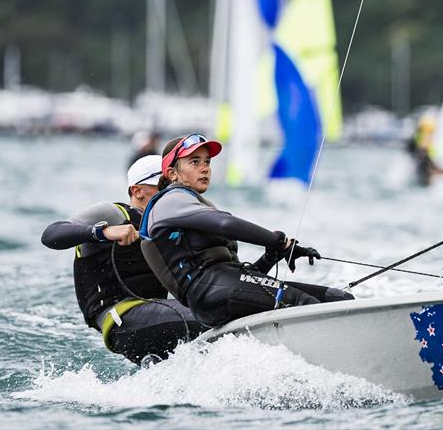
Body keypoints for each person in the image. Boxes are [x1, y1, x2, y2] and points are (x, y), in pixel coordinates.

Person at [139, 134, 354, 328]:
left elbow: (238, 278)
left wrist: (271, 256)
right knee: (306, 305)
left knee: (337, 298)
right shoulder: (170, 200)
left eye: (207, 162)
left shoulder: (193, 203)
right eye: (194, 162)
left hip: (221, 289)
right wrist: (278, 241)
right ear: (172, 173)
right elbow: (226, 225)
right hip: (209, 293)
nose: (204, 168)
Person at [41, 155, 206, 364]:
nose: (170, 195)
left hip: (158, 317)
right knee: (210, 318)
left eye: (174, 187)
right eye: (162, 187)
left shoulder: (171, 230)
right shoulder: (113, 214)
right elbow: (51, 235)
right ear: (137, 191)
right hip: (121, 318)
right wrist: (104, 231)